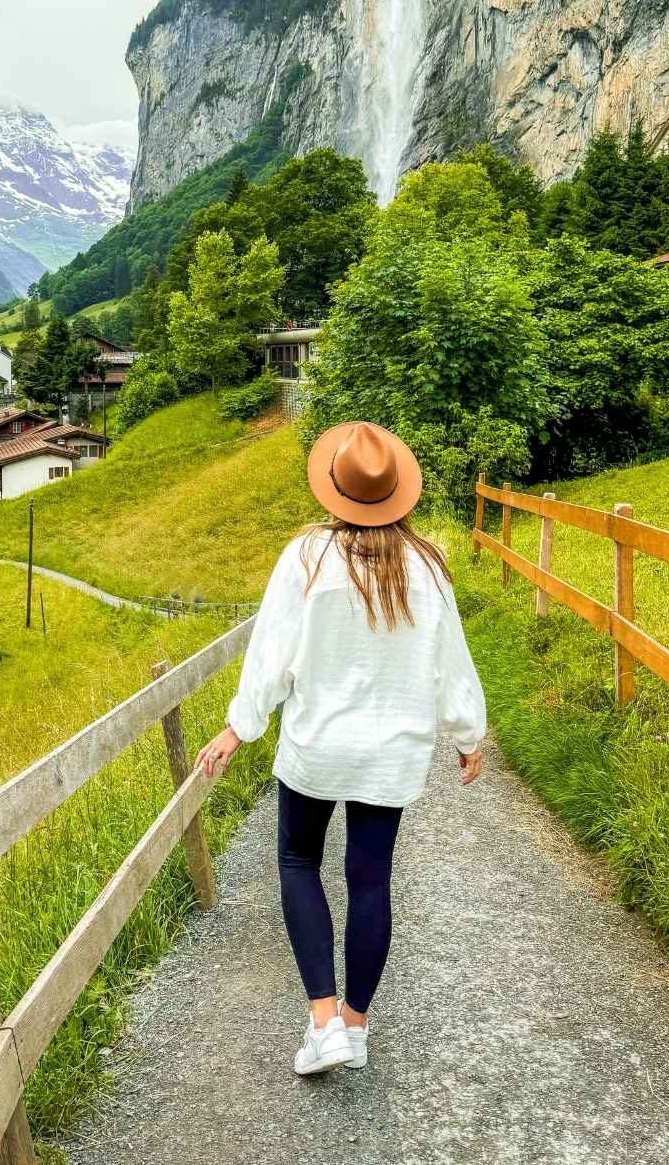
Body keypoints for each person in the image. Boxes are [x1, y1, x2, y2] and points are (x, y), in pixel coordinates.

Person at [196, 420, 486, 1076]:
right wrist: (467, 733)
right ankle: (354, 1030)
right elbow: (451, 662)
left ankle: (322, 1020)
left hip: (317, 747)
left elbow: (271, 654)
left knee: (299, 861)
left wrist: (240, 725)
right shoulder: (428, 567)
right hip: (391, 754)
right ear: (397, 495)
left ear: (334, 491)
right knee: (369, 881)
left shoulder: (306, 558)